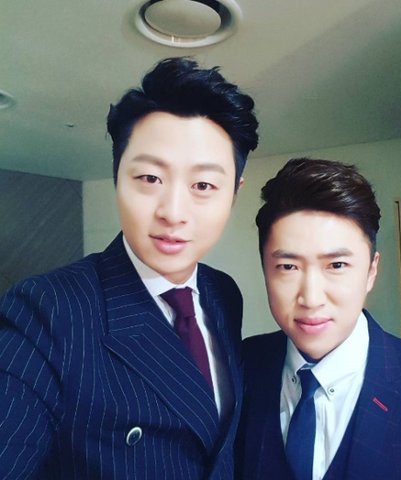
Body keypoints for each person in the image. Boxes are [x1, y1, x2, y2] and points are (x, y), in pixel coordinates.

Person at [0, 57, 258, 479]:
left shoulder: (223, 292)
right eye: (150, 178)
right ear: (117, 175)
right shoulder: (46, 310)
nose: (173, 212)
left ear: (233, 193)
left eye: (203, 185)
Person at [236, 158, 401, 480]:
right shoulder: (238, 370)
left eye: (337, 265)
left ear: (371, 271)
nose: (311, 298)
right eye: (288, 267)